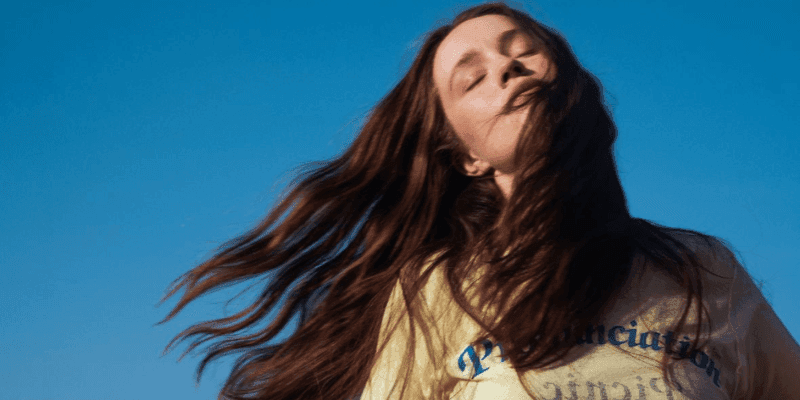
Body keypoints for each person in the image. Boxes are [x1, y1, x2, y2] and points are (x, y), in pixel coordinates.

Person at [156, 2, 800, 399]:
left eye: (524, 53)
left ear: (572, 82)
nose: (506, 69)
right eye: (473, 79)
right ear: (467, 156)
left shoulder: (702, 269)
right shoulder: (437, 289)